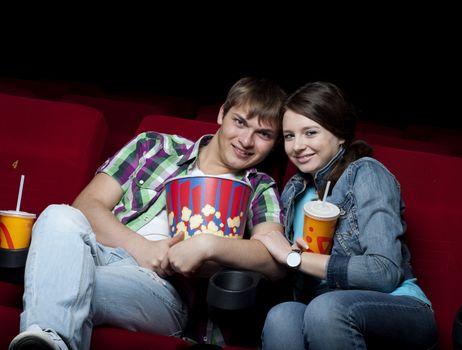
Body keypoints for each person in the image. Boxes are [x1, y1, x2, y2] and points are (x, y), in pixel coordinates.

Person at [9, 77, 287, 350]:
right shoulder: (153, 147)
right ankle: (50, 341)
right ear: (222, 114)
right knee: (58, 215)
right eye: (239, 122)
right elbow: (87, 205)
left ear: (274, 143)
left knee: (58, 279)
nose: (246, 140)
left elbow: (272, 260)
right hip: (98, 253)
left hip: (162, 289)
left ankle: (47, 327)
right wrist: (143, 249)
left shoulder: (258, 187)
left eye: (263, 134)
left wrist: (207, 245)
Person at [254, 82, 438, 349]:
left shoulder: (366, 173)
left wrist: (295, 258)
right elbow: (290, 269)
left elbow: (384, 272)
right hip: (323, 311)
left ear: (339, 134)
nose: (297, 146)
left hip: (399, 307)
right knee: (282, 315)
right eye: (290, 136)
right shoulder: (295, 189)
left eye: (310, 132)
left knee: (325, 309)